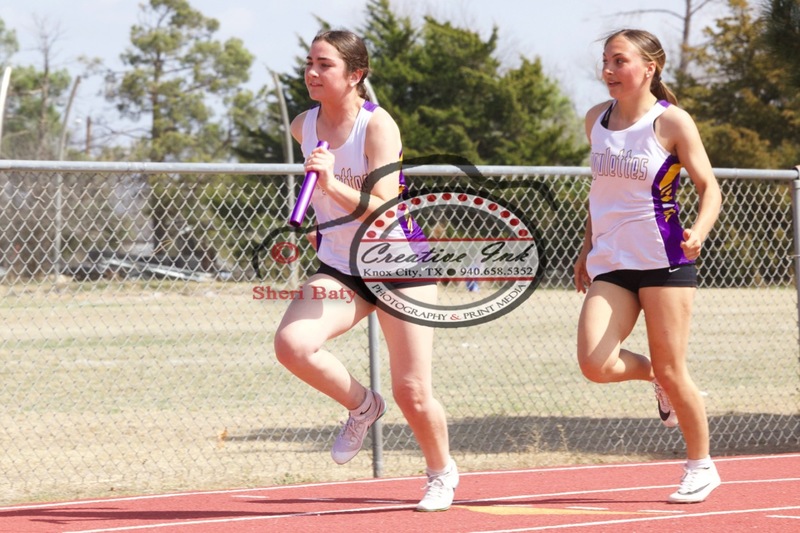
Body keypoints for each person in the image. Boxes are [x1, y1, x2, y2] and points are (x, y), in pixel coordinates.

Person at [273, 29, 458, 512]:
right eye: (310, 62)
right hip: (340, 267)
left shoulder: (378, 128)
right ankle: (362, 405)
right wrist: (319, 219)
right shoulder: (303, 124)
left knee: (413, 392)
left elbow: (385, 209)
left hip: (399, 265)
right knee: (293, 345)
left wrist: (331, 185)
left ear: (355, 75)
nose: (312, 72)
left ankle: (440, 472)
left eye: (325, 65)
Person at [573, 29, 723, 504]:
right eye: (606, 61)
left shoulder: (671, 122)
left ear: (649, 68)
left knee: (675, 368)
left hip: (665, 261)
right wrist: (585, 248)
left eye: (620, 61)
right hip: (612, 262)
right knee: (594, 364)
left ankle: (701, 466)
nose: (609, 71)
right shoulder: (595, 119)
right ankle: (653, 377)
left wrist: (699, 230)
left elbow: (710, 188)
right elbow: (602, 195)